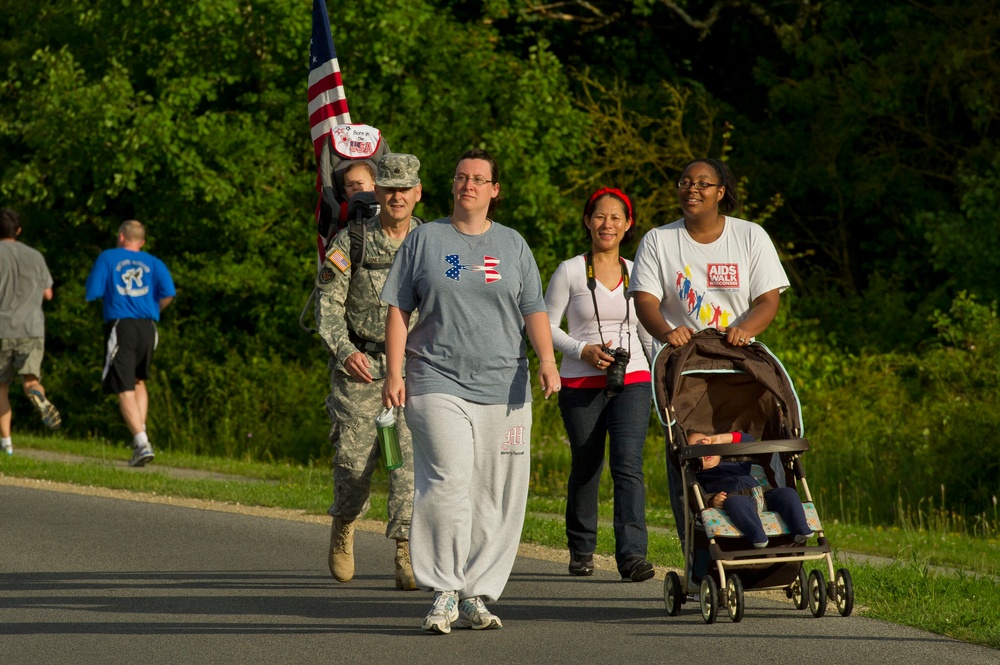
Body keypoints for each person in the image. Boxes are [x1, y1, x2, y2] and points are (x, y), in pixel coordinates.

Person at [381, 148, 560, 635]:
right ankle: (443, 589)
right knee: (448, 479)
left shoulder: (513, 245)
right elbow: (397, 308)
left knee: (497, 492)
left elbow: (533, 309)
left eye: (479, 179)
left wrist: (546, 360)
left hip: (506, 387)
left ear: (494, 190)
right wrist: (393, 372)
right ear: (453, 185)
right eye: (461, 177)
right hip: (435, 379)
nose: (469, 185)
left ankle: (476, 591)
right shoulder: (425, 240)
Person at [628, 158, 790, 540]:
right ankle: (698, 548)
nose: (692, 189)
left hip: (738, 365)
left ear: (721, 192)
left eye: (703, 183)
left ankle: (779, 529)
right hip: (684, 369)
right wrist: (668, 332)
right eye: (685, 181)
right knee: (683, 450)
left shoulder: (750, 236)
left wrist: (743, 329)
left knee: (764, 433)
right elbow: (645, 301)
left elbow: (768, 300)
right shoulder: (658, 240)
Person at [314, 153, 423, 591]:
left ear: (417, 193)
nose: (396, 196)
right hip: (360, 370)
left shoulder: (430, 242)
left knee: (409, 467)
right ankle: (344, 526)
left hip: (414, 370)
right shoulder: (351, 241)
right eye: (389, 188)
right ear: (377, 193)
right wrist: (344, 353)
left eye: (404, 188)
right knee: (355, 466)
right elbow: (327, 307)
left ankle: (406, 550)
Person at [543, 188, 656, 582]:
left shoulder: (638, 270)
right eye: (599, 217)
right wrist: (582, 349)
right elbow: (544, 328)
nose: (607, 224)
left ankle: (631, 557)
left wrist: (662, 373)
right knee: (588, 464)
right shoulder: (570, 270)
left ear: (628, 224)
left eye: (616, 218)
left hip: (634, 377)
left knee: (628, 466)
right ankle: (581, 548)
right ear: (588, 222)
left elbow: (646, 330)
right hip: (580, 381)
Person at [85, 220, 175, 467]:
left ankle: (142, 442)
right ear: (142, 241)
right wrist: (152, 308)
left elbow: (93, 291)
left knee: (123, 385)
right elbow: (169, 294)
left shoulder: (108, 257)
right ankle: (140, 437)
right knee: (138, 380)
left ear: (121, 236)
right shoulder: (154, 262)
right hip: (148, 326)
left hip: (121, 324)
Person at [1, 208, 61, 455]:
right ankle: (39, 397)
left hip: (2, 328)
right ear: (19, 231)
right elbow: (48, 293)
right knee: (31, 380)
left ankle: (6, 444)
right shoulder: (35, 256)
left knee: (1, 387)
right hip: (32, 328)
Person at [688, 430, 813, 547]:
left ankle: (801, 529)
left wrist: (719, 439)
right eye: (697, 450)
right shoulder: (701, 476)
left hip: (763, 495)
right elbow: (700, 497)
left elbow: (748, 439)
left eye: (706, 445)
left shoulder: (735, 460)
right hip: (737, 499)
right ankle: (757, 535)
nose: (704, 451)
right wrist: (712, 501)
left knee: (787, 493)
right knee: (735, 503)